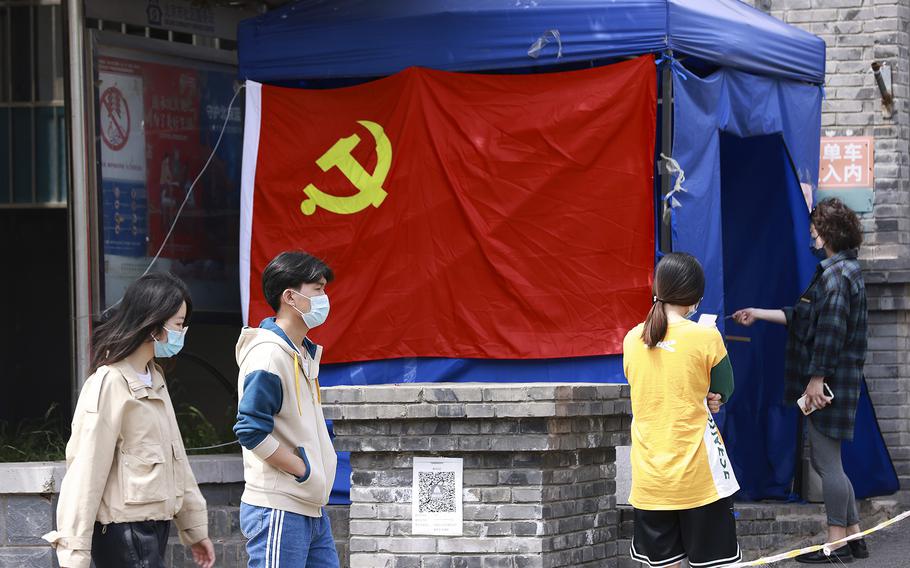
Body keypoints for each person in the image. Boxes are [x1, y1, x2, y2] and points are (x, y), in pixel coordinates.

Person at [43, 273, 215, 568]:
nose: (182, 332)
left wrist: (194, 529)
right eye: (177, 324)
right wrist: (74, 555)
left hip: (153, 528)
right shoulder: (109, 383)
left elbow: (177, 460)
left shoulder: (154, 378)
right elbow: (86, 471)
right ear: (153, 323)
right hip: (123, 533)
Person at [732, 197, 868, 564]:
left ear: (826, 234)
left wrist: (816, 380)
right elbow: (805, 317)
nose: (810, 234)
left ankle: (835, 542)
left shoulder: (836, 277)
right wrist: (758, 314)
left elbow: (830, 331)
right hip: (836, 379)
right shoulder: (840, 271)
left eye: (814, 229)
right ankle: (855, 537)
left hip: (828, 383)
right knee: (831, 461)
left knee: (827, 464)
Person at [623, 252, 740, 568]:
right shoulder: (705, 335)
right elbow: (724, 387)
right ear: (695, 297)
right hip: (699, 477)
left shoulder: (633, 338)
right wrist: (713, 398)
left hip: (650, 477)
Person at [234, 251, 339, 567]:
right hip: (279, 505)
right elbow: (250, 431)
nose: (324, 298)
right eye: (317, 289)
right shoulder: (268, 356)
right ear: (290, 296)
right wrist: (302, 469)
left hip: (309, 507)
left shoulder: (300, 354)